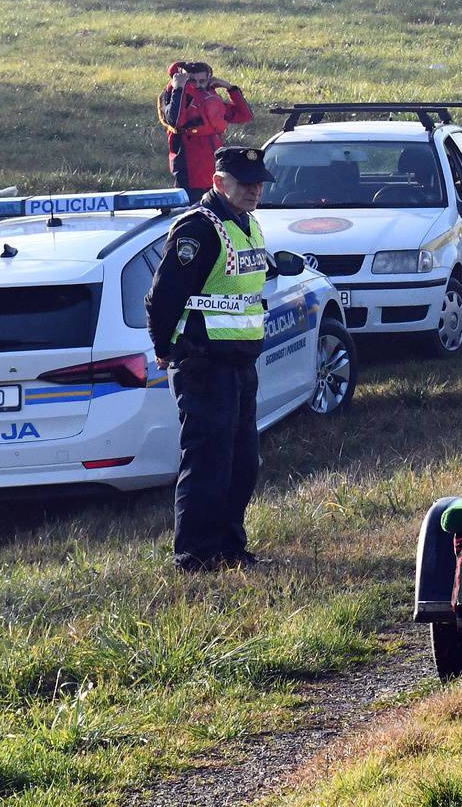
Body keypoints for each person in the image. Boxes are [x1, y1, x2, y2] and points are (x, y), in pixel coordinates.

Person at [145, 146, 277, 572]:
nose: (254, 190)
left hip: (239, 361)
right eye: (245, 182)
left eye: (258, 183)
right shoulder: (199, 230)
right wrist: (164, 349)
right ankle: (196, 555)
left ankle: (230, 547)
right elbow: (163, 298)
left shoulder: (248, 225)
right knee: (207, 461)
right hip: (203, 362)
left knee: (241, 463)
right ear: (219, 182)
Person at [160, 62, 253, 202]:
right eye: (192, 80)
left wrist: (230, 88)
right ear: (182, 78)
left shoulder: (210, 96)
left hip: (215, 169)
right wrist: (178, 88)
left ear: (209, 79)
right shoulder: (174, 93)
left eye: (202, 81)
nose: (197, 85)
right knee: (191, 211)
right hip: (190, 171)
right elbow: (175, 120)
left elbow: (244, 115)